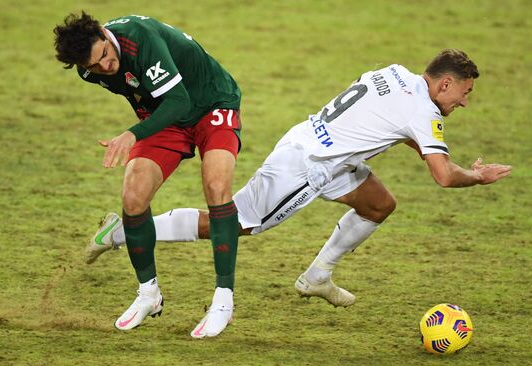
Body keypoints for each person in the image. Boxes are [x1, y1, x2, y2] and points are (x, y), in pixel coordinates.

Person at [87, 49, 511, 309]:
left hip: (325, 151)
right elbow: (442, 176)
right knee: (237, 224)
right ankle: (122, 232)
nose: (465, 102)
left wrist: (433, 150)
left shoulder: (398, 74)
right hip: (308, 165)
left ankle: (318, 277)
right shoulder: (425, 113)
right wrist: (475, 176)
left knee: (379, 204)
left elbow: (396, 127)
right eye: (465, 93)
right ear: (445, 83)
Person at [53, 12, 242, 338]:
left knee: (216, 186)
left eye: (103, 56)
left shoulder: (140, 40)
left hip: (211, 102)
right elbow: (140, 90)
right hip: (166, 115)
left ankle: (223, 300)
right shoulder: (89, 70)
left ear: (103, 33)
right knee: (133, 195)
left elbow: (179, 99)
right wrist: (144, 127)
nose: (105, 67)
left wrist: (133, 134)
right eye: (94, 66)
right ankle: (148, 294)